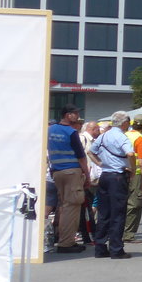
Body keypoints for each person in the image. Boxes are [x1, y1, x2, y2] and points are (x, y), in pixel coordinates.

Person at [89, 111, 134, 259]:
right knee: (118, 213)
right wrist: (132, 169)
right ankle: (116, 249)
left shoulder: (103, 136)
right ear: (124, 123)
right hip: (117, 177)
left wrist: (100, 164)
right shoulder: (122, 137)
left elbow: (90, 152)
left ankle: (100, 247)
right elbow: (130, 154)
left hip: (105, 175)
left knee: (104, 213)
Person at [46, 105, 91, 253]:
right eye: (75, 113)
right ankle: (66, 243)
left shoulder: (50, 130)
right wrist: (87, 176)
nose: (78, 116)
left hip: (56, 171)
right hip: (71, 171)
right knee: (72, 207)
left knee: (64, 206)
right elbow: (81, 157)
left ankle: (61, 237)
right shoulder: (71, 132)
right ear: (68, 115)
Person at [122, 119, 142, 244]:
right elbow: (141, 161)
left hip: (122, 172)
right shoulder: (139, 138)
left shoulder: (125, 134)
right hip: (136, 174)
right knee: (135, 204)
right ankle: (128, 234)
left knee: (123, 203)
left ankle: (119, 231)